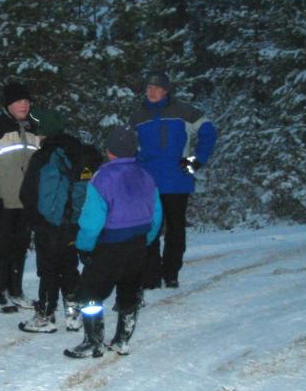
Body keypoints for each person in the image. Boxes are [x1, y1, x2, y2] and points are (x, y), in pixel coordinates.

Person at [64, 127, 162, 358]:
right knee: (129, 291)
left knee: (91, 293)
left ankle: (93, 342)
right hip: (137, 244)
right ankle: (122, 340)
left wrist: (84, 246)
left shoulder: (102, 178)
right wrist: (146, 239)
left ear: (108, 151)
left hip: (109, 245)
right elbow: (156, 215)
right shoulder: (146, 176)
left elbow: (91, 222)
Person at [18, 110, 103, 333]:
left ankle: (45, 315)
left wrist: (34, 218)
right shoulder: (77, 151)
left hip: (49, 224)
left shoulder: (44, 156)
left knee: (48, 269)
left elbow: (28, 192)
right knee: (69, 266)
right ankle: (73, 313)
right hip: (73, 223)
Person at [130, 71, 216, 289]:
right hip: (148, 183)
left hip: (177, 181)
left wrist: (196, 160)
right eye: (149, 88)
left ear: (166, 91)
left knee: (175, 230)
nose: (152, 92)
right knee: (149, 230)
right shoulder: (137, 116)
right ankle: (151, 276)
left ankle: (171, 274)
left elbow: (208, 131)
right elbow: (129, 146)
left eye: (157, 88)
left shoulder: (184, 111)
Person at [0, 82, 39, 313]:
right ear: (8, 104)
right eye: (19, 101)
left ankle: (16, 291)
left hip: (26, 200)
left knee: (20, 246)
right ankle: (0, 293)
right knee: (2, 247)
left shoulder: (33, 128)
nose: (24, 105)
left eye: (27, 101)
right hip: (3, 199)